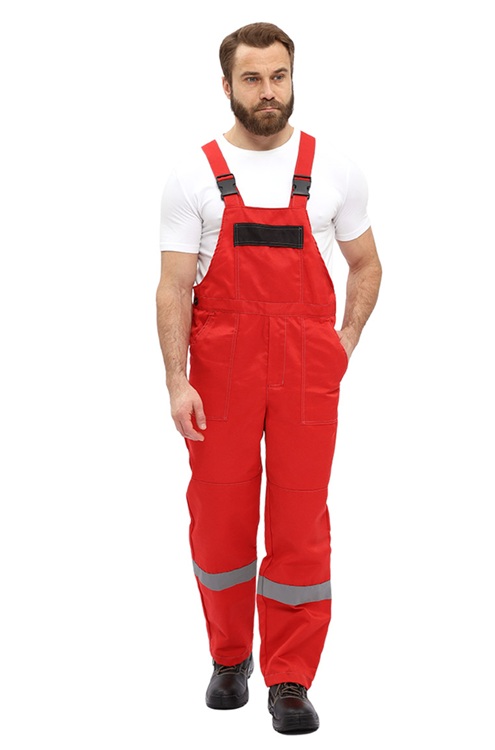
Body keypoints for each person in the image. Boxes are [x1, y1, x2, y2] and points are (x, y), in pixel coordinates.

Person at [156, 22, 382, 735]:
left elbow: (367, 265)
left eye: (278, 76)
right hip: (220, 370)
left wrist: (343, 343)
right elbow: (172, 287)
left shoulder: (335, 169)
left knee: (299, 520)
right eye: (252, 79)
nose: (268, 92)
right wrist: (176, 381)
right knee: (219, 515)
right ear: (227, 85)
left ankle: (290, 677)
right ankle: (229, 658)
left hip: (307, 370)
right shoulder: (194, 174)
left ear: (292, 77)